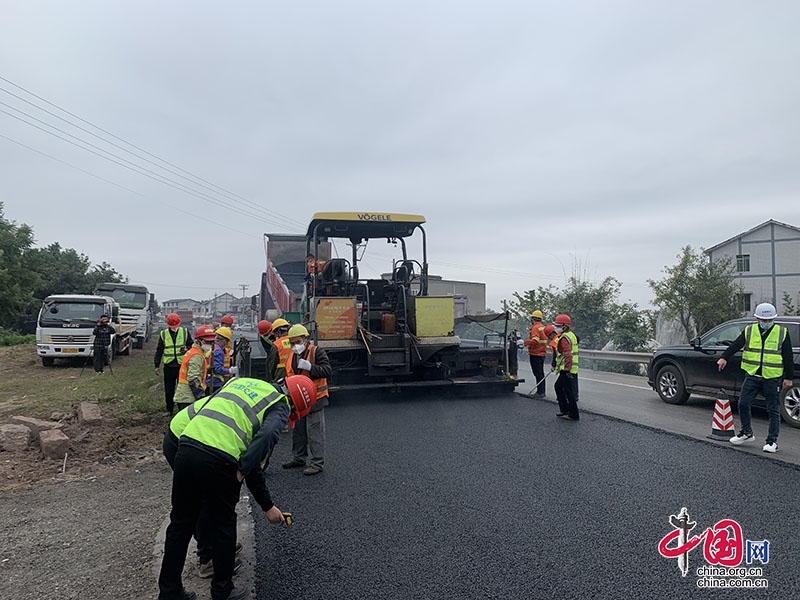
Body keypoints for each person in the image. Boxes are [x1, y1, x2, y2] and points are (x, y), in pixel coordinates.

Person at [157, 375, 317, 600]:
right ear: (295, 407)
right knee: (224, 525)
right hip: (219, 457)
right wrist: (241, 469)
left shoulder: (245, 383)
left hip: (187, 445)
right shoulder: (280, 405)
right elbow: (266, 437)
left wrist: (266, 505)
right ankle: (222, 591)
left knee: (181, 524)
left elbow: (246, 447)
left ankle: (169, 592)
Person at [717, 302, 794, 453]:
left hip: (772, 378)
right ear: (757, 318)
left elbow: (788, 356)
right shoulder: (749, 330)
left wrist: (788, 377)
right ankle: (746, 433)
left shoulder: (781, 332)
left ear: (773, 319)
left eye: (769, 320)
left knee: (773, 409)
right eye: (763, 320)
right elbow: (736, 345)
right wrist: (724, 357)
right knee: (743, 404)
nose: (766, 323)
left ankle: (772, 441)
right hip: (752, 375)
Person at [281, 324, 332, 475]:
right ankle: (298, 458)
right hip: (299, 401)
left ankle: (317, 463)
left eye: (297, 342)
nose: (295, 346)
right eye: (292, 343)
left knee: (314, 431)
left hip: (316, 399)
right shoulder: (291, 357)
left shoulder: (316, 352)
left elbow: (327, 371)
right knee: (298, 431)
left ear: (305, 339)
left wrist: (311, 367)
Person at [155, 313, 193, 415]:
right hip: (169, 366)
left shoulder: (185, 332)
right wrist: (156, 365)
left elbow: (192, 346)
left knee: (182, 389)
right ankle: (169, 409)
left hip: (182, 365)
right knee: (169, 389)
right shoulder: (163, 334)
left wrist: (186, 349)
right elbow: (159, 350)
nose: (174, 328)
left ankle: (182, 409)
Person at [174, 325, 217, 411]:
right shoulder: (196, 355)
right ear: (199, 340)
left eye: (212, 342)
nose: (210, 344)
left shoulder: (195, 352)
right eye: (207, 342)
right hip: (188, 397)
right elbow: (193, 379)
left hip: (185, 396)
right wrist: (201, 396)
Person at [553, 314, 579, 421]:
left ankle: (573, 414)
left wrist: (567, 369)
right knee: (559, 387)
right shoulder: (571, 335)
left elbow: (568, 354)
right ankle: (565, 410)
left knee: (568, 392)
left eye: (558, 325)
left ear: (564, 326)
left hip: (567, 369)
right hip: (568, 368)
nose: (556, 328)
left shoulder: (564, 338)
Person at [523, 310, 548, 397]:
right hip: (542, 353)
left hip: (535, 353)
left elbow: (535, 340)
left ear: (532, 319)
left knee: (537, 373)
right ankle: (542, 391)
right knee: (540, 373)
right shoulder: (542, 327)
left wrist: (524, 342)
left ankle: (540, 392)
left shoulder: (535, 328)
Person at [206, 327, 237, 395]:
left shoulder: (212, 347)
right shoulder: (218, 351)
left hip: (207, 380)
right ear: (224, 341)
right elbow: (217, 369)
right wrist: (230, 370)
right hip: (214, 382)